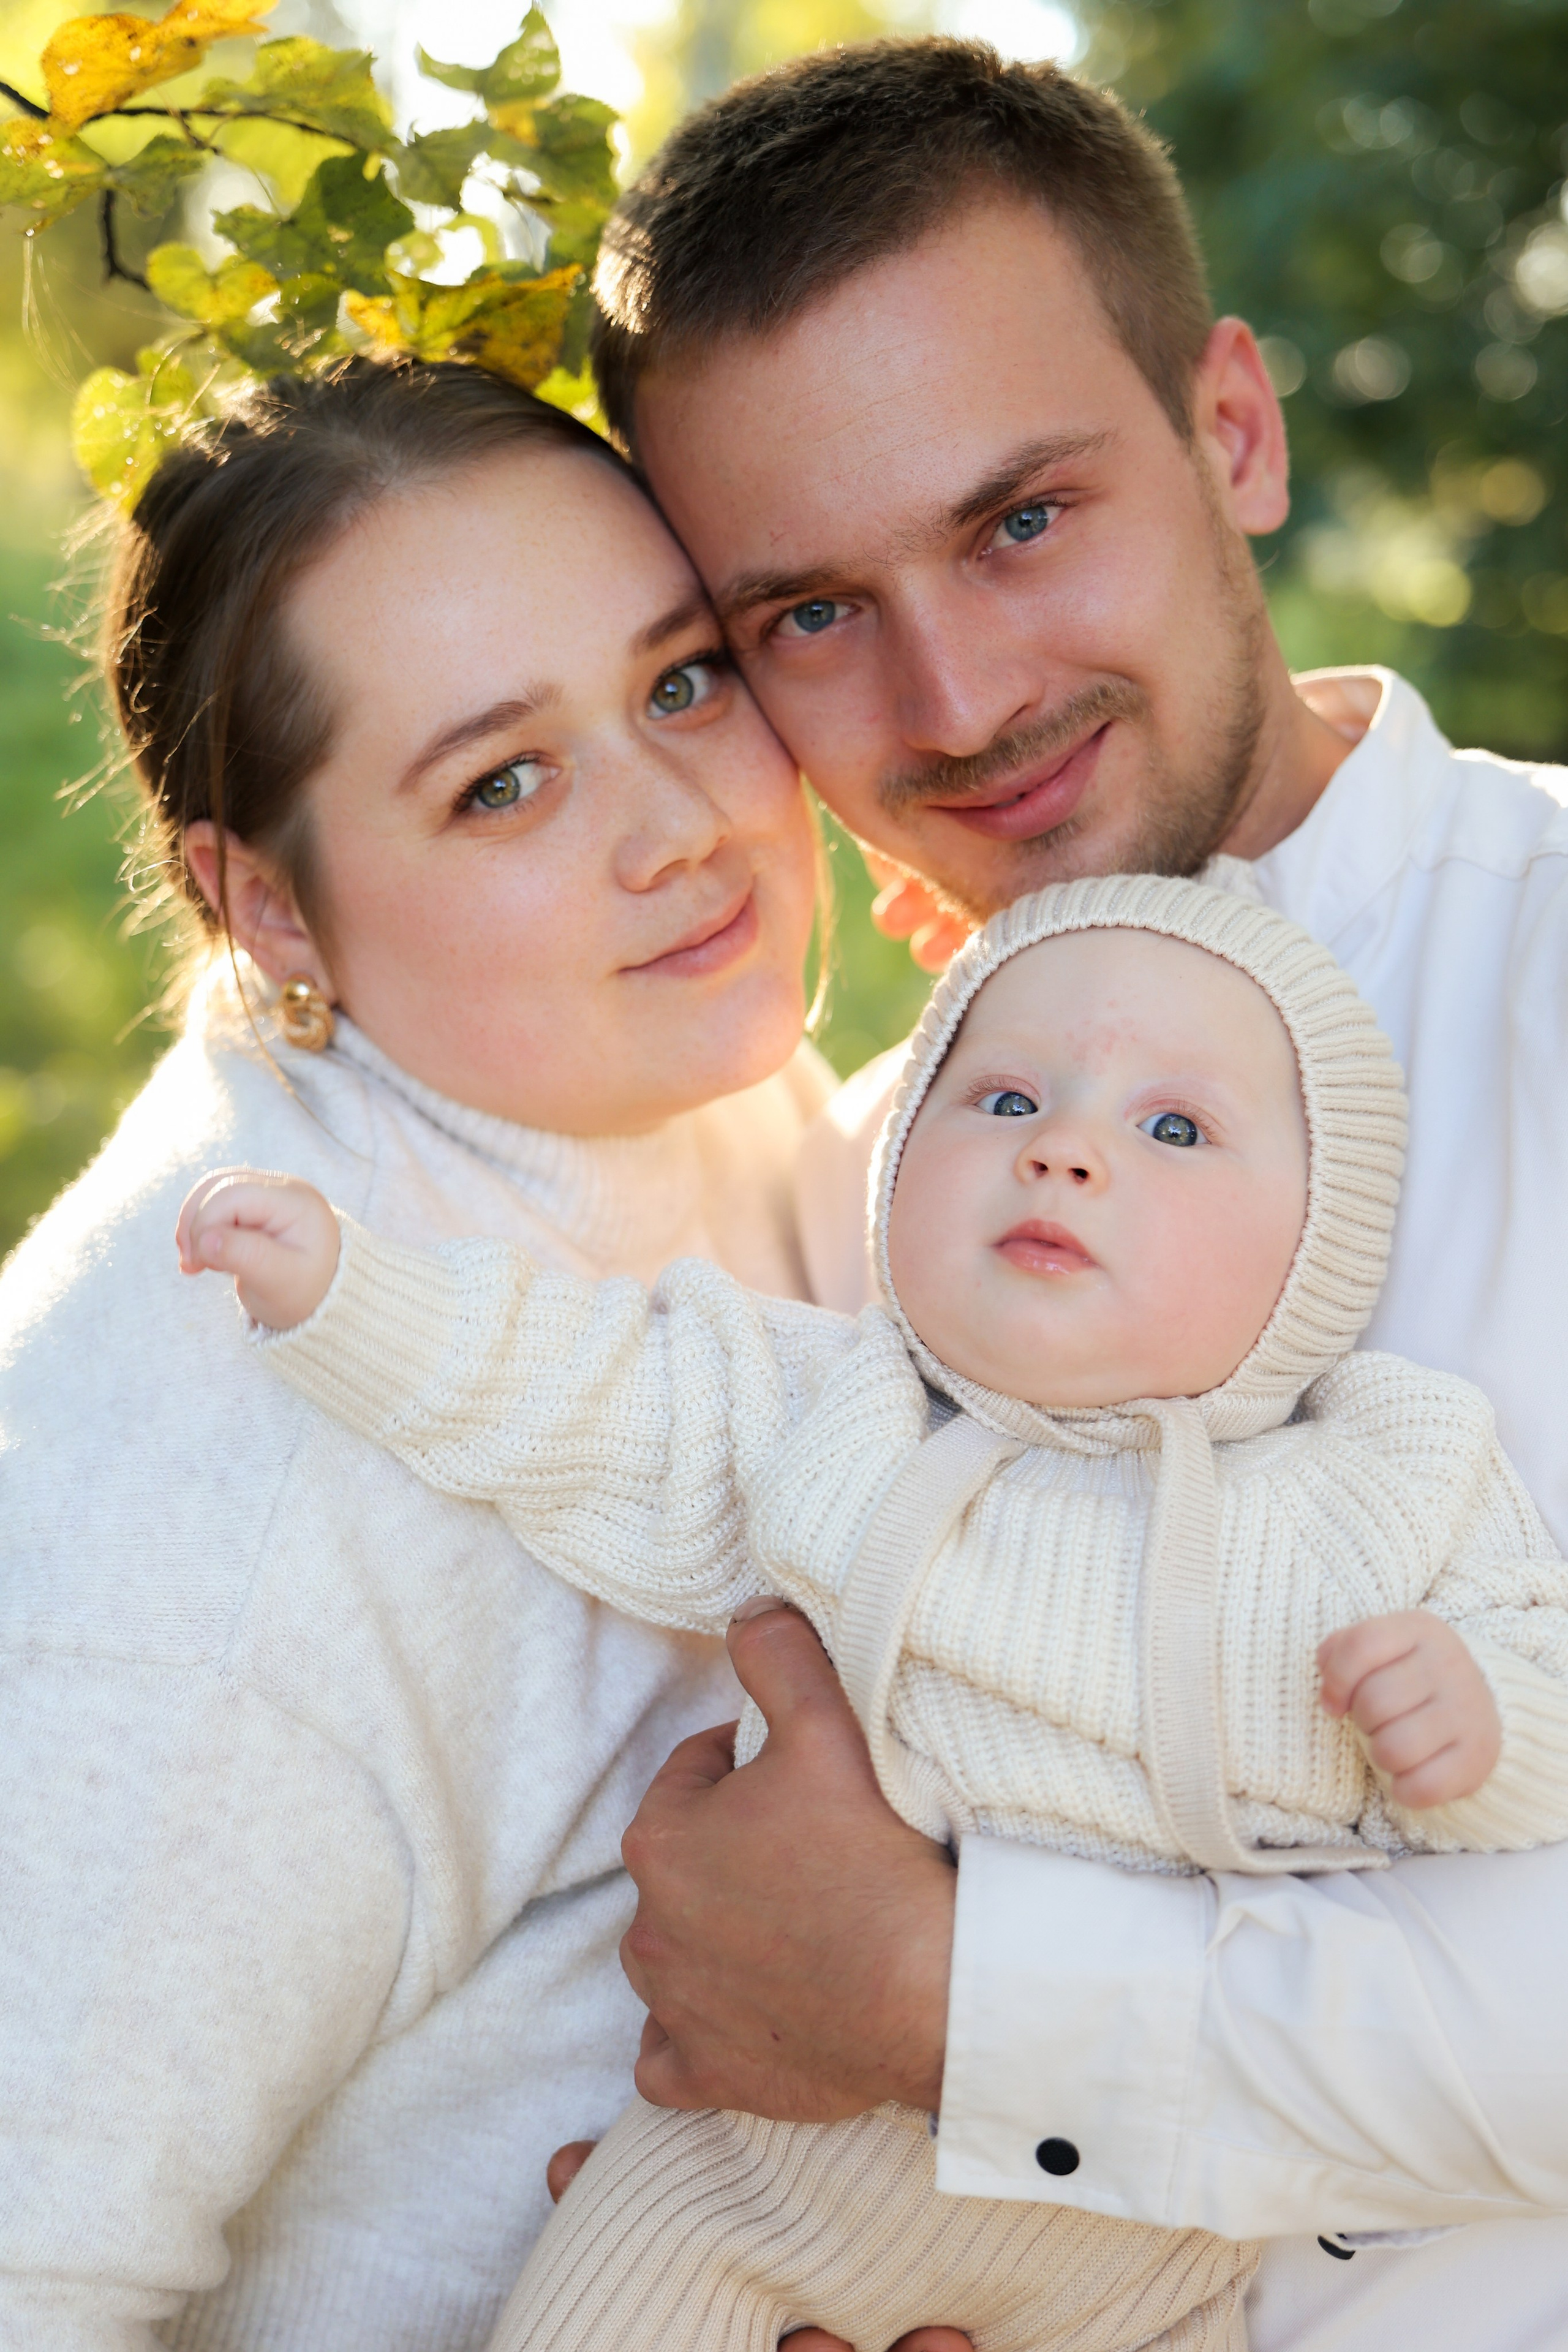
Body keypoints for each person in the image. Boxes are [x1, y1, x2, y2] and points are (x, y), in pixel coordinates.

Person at [576, 38, 1568, 2350]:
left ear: (1233, 428)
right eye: (809, 612)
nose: (960, 695)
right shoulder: (837, 1212)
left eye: (1022, 518)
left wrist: (952, 2007)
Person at [184, 875, 1568, 2352]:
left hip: (1153, 2258)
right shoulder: (826, 1411)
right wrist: (346, 1290)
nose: (1064, 1153)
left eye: (1172, 1130)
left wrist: (1475, 1725)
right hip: (743, 2182)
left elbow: (1528, 1688)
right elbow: (577, 1387)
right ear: (902, 1152)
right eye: (1004, 1097)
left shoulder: (1377, 1478)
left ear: (1317, 1248)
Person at [0, 355, 833, 2350]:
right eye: (502, 782)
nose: (681, 830)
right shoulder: (216, 1520)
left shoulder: (660, 1073)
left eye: (686, 677)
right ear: (264, 904)